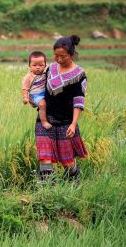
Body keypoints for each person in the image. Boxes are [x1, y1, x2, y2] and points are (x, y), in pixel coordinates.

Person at [34, 35, 88, 183]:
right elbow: (38, 86)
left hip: (66, 122)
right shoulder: (50, 68)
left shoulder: (79, 75)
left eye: (63, 56)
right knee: (44, 157)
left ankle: (74, 182)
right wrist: (34, 99)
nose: (59, 59)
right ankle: (47, 193)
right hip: (44, 119)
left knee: (67, 161)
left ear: (72, 54)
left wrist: (73, 124)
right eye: (56, 56)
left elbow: (78, 101)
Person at [22, 51, 52, 129]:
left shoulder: (46, 72)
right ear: (29, 66)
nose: (38, 67)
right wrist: (25, 98)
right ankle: (44, 122)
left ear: (45, 65)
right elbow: (25, 88)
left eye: (41, 65)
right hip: (35, 95)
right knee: (42, 104)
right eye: (34, 65)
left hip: (45, 93)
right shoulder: (28, 77)